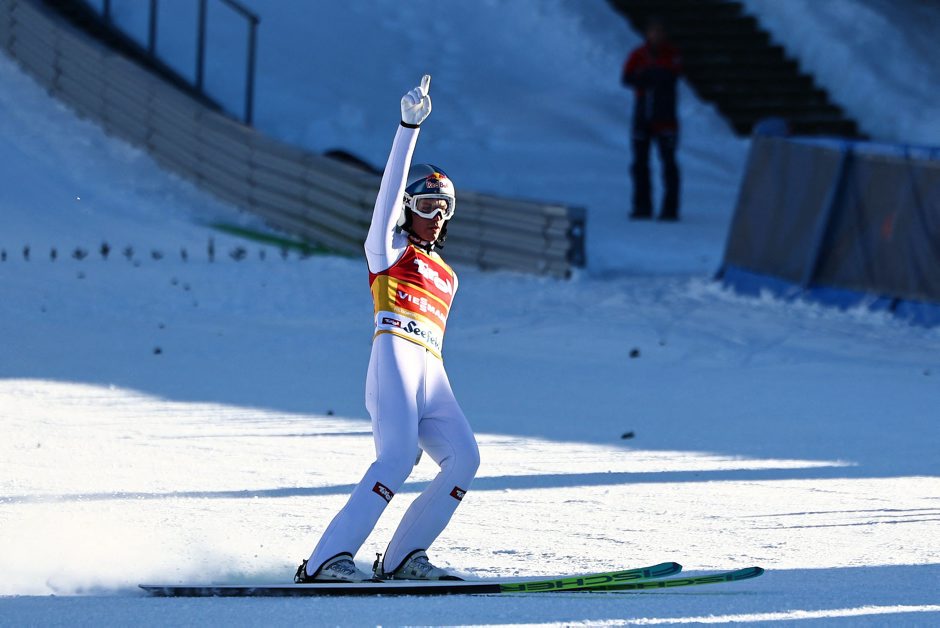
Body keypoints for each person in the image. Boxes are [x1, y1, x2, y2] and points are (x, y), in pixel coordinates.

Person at [295, 75, 480, 583]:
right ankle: (325, 560)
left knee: (464, 459)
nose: (436, 217)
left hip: (432, 370)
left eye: (444, 209)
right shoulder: (388, 251)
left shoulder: (448, 275)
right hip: (394, 355)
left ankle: (403, 557)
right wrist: (407, 130)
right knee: (395, 459)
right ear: (407, 210)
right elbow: (386, 199)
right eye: (426, 206)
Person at [622, 16, 682, 221]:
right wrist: (647, 76)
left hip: (666, 118)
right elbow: (627, 77)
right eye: (653, 31)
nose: (656, 35)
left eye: (659, 32)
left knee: (669, 164)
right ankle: (642, 206)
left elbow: (672, 75)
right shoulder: (638, 54)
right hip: (643, 116)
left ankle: (670, 209)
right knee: (640, 164)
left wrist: (650, 75)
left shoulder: (672, 54)